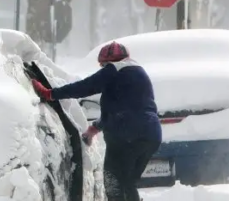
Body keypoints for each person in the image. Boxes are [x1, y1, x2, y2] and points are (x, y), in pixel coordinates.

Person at [30, 41, 161, 201]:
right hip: (151, 135)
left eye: (103, 66)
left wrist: (50, 94)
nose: (103, 69)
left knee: (114, 183)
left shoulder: (114, 69)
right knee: (128, 182)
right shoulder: (137, 71)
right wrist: (95, 128)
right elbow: (127, 109)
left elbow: (84, 87)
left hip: (126, 135)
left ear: (108, 62)